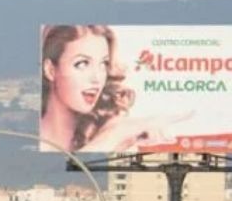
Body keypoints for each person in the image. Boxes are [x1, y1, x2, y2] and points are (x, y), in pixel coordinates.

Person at [41, 25, 189, 154]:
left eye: (103, 64)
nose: (97, 78)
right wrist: (113, 136)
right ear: (50, 70)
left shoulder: (110, 129)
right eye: (82, 64)